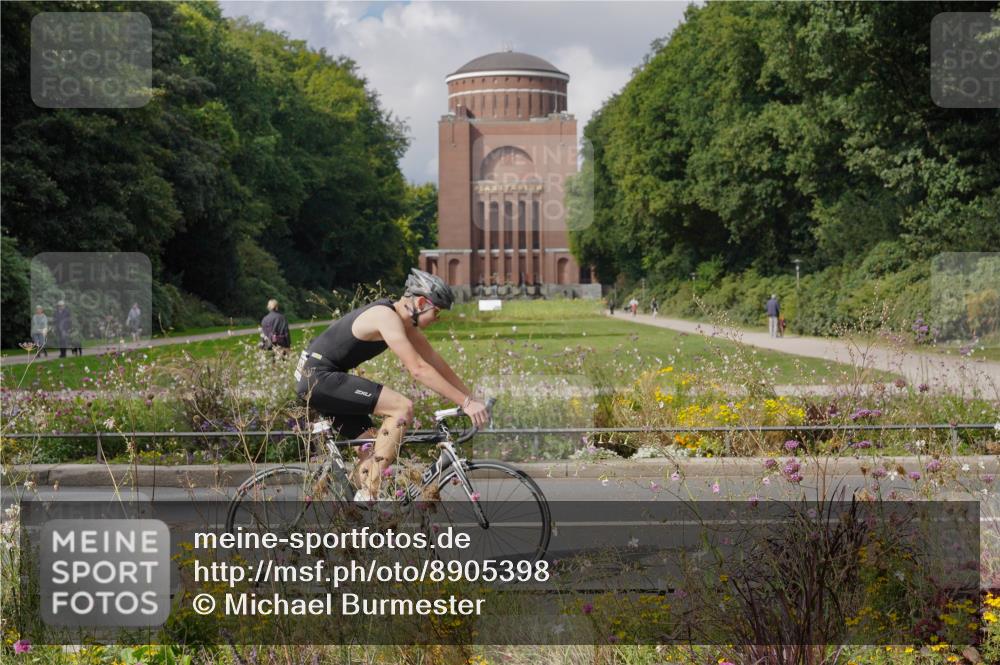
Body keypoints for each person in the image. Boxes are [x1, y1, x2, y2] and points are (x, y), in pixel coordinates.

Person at [295, 269, 488, 501]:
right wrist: (465, 403)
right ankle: (369, 493)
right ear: (420, 302)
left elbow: (435, 363)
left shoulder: (405, 325)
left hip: (322, 379)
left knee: (375, 448)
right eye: (437, 311)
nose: (439, 318)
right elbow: (418, 369)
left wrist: (472, 399)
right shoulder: (385, 316)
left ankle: (355, 512)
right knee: (401, 408)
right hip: (319, 377)